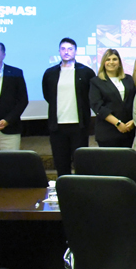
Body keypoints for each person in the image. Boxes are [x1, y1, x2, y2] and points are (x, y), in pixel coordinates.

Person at [42, 38, 95, 176]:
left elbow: (90, 96)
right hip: (57, 126)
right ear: (59, 51)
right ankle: (63, 192)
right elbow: (48, 95)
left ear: (76, 52)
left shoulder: (86, 72)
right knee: (61, 163)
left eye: (70, 49)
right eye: (63, 49)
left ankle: (81, 193)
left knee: (81, 162)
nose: (66, 52)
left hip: (79, 125)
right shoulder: (50, 73)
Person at [89, 49, 136, 148]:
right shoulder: (96, 82)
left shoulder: (128, 79)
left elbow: (135, 102)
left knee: (126, 162)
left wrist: (133, 121)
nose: (111, 62)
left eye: (114, 59)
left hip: (128, 130)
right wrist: (118, 123)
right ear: (103, 63)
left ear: (119, 62)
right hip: (107, 132)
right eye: (108, 59)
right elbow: (97, 106)